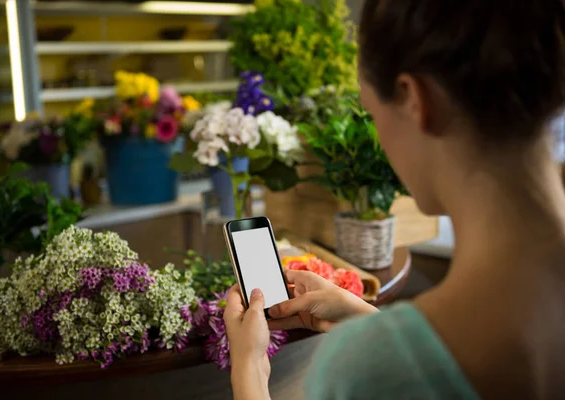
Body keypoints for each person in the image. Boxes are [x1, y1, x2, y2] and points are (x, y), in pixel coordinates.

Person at [224, 0, 565, 398]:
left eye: (371, 111)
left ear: (414, 99)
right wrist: (368, 320)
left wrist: (248, 369)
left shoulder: (364, 369)